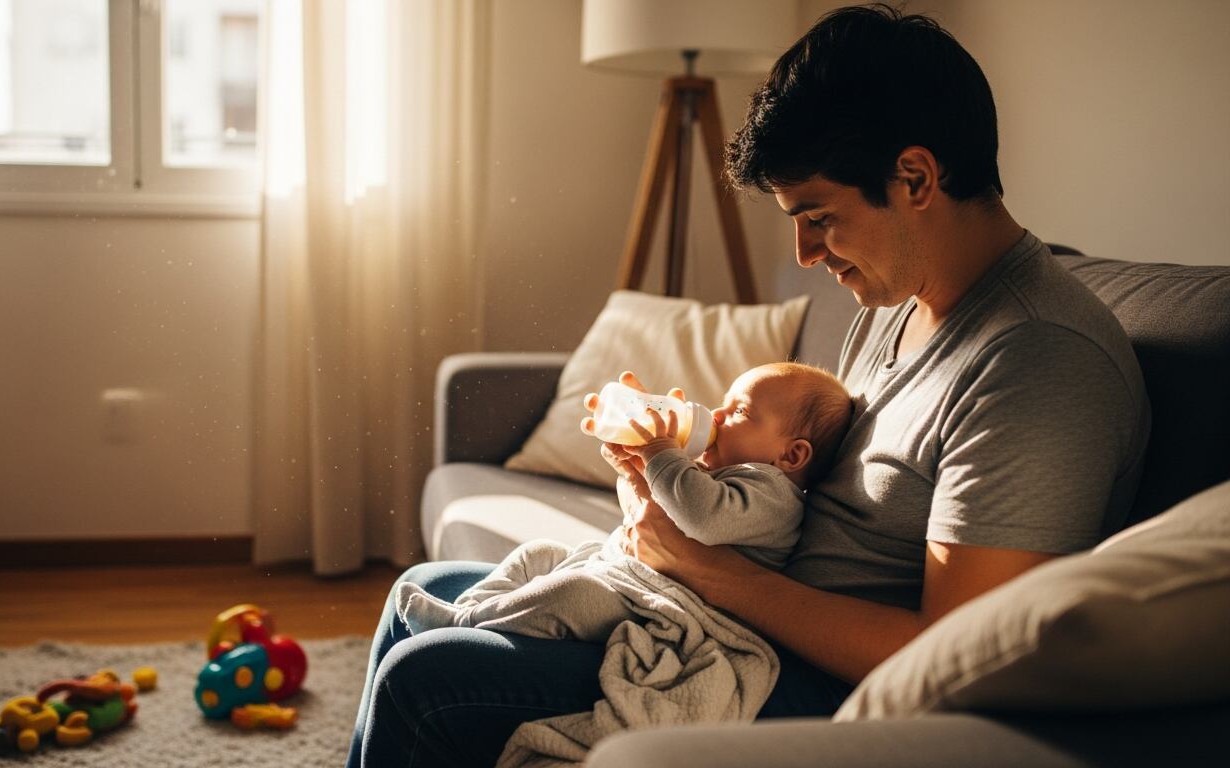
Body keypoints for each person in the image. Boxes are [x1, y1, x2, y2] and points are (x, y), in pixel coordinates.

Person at [345, 5, 1150, 767]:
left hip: (803, 682)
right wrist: (675, 472)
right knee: (419, 592)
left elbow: (954, 653)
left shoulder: (1038, 364)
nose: (805, 254)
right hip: (727, 619)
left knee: (430, 681)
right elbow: (794, 473)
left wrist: (707, 571)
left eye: (819, 217)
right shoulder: (900, 303)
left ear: (914, 177)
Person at [395, 363, 852, 641]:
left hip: (659, 603)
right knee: (538, 555)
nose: (715, 415)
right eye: (723, 402)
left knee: (567, 594)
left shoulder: (772, 497)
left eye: (739, 412)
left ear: (791, 455)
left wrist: (660, 453)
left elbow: (702, 517)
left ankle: (469, 624)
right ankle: (466, 612)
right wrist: (634, 459)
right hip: (626, 572)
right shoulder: (723, 472)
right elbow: (657, 508)